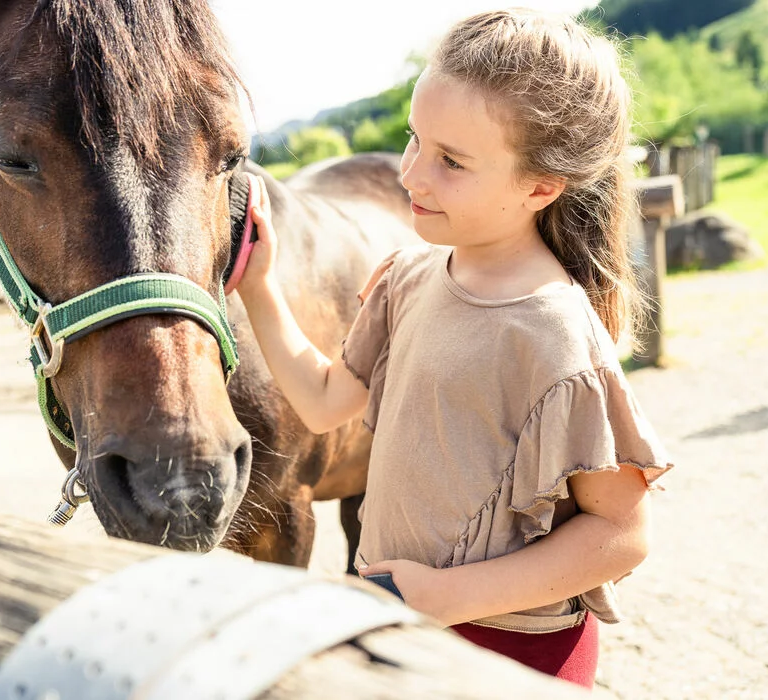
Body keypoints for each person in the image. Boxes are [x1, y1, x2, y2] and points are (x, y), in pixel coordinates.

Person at [234, 8, 672, 689]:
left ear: (541, 186)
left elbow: (623, 534)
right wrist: (260, 287)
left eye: (451, 161)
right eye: (415, 140)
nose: (412, 174)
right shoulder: (408, 277)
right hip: (405, 628)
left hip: (512, 652)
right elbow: (323, 404)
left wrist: (448, 597)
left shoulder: (554, 332)